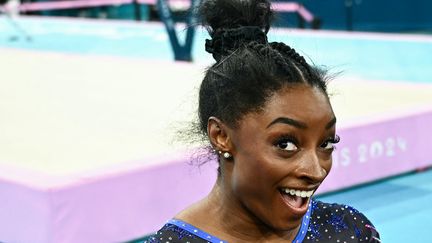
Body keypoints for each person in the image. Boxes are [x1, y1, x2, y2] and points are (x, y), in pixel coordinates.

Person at [147, 0, 380, 242]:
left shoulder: (348, 229)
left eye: (326, 144)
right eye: (286, 144)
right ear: (221, 136)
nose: (316, 170)